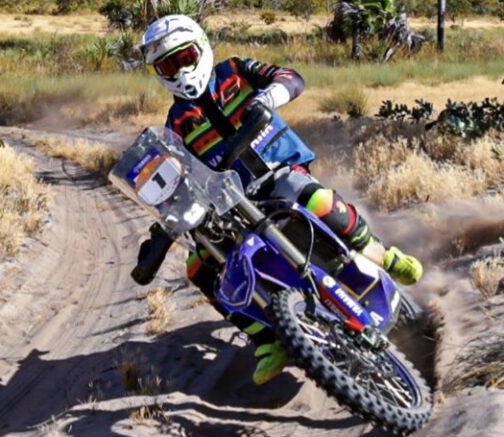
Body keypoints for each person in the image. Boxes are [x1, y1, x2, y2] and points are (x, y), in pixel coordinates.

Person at [131, 15, 423, 386]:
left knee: (315, 199)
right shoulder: (176, 122)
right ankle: (266, 340)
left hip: (278, 170)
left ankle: (381, 255)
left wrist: (268, 97)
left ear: (201, 48)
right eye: (168, 66)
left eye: (185, 57)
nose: (182, 70)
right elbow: (175, 176)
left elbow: (290, 77)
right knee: (198, 267)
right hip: (232, 202)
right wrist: (163, 226)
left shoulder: (234, 71)